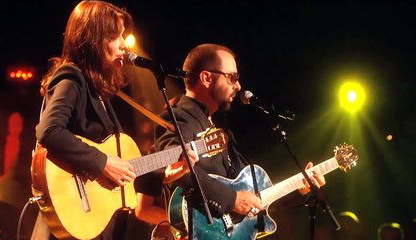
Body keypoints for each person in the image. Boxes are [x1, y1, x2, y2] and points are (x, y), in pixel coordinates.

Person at [135, 43, 326, 238]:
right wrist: (232, 199)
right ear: (206, 78)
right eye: (232, 77)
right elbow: (179, 169)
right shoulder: (176, 118)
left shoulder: (221, 128)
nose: (238, 86)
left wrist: (298, 187)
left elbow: (251, 194)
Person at [31, 1, 138, 239]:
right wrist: (102, 162)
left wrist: (167, 170)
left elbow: (123, 165)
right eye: (115, 36)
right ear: (92, 40)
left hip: (92, 223)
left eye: (123, 36)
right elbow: (49, 130)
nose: (123, 45)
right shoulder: (71, 78)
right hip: (69, 219)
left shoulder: (96, 89)